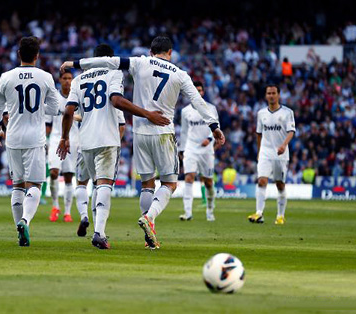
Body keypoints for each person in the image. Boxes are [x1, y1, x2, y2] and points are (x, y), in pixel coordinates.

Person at [61, 36, 225, 249]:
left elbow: (107, 62)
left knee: (147, 184)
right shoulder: (180, 74)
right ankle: (149, 218)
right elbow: (198, 101)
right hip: (164, 130)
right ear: (170, 52)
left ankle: (149, 237)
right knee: (169, 183)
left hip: (139, 133)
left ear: (150, 51)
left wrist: (74, 64)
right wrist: (214, 126)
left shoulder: (140, 62)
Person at [58, 43, 170, 249]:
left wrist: (64, 138)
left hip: (85, 141)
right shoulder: (114, 73)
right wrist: (147, 114)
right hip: (107, 139)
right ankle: (99, 233)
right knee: (104, 185)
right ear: (109, 59)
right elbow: (117, 101)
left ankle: (96, 229)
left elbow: (68, 112)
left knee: (94, 186)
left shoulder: (78, 80)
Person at [0, 36, 60, 246]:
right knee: (36, 185)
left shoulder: (6, 77)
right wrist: (39, 108)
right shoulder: (45, 77)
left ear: (19, 54)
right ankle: (25, 220)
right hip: (35, 138)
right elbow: (55, 107)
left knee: (17, 186)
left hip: (13, 136)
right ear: (37, 56)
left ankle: (18, 232)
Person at [249, 84, 295, 225]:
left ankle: (280, 215)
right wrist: (259, 152)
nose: (271, 95)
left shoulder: (287, 113)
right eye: (268, 93)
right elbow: (259, 134)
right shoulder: (261, 113)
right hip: (265, 152)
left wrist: (284, 145)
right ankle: (259, 213)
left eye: (274, 93)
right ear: (265, 95)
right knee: (262, 180)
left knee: (279, 185)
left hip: (280, 153)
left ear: (278, 95)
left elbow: (291, 131)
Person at [178, 81, 218, 222]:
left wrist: (209, 139)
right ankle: (187, 213)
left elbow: (216, 127)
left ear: (203, 92)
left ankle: (210, 210)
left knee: (208, 182)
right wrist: (181, 150)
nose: (198, 92)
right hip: (191, 148)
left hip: (206, 149)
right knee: (189, 177)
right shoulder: (185, 111)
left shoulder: (211, 108)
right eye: (196, 90)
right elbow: (183, 131)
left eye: (200, 90)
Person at [47, 70, 79, 223]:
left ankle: (67, 212)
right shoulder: (54, 97)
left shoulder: (77, 96)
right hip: (55, 138)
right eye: (65, 78)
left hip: (73, 138)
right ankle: (55, 206)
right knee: (53, 172)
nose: (67, 81)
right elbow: (47, 122)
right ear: (60, 80)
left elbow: (84, 117)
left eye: (70, 78)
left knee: (68, 177)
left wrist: (72, 115)